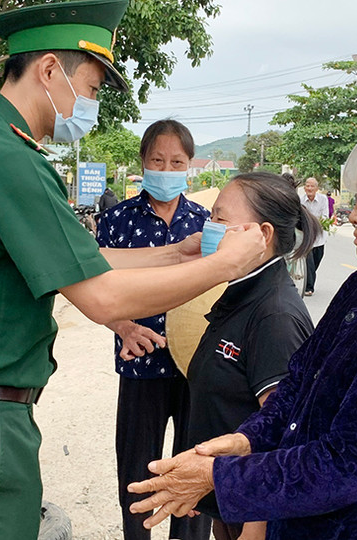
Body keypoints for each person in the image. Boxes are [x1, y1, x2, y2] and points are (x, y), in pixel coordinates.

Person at [0, 2, 266, 539]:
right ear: (48, 71)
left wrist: (178, 253)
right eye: (90, 89)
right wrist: (224, 264)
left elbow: (76, 261)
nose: (90, 105)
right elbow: (103, 297)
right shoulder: (7, 160)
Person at [126, 117, 357, 540]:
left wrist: (222, 477)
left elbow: (347, 464)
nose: (352, 215)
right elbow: (300, 385)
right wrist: (246, 440)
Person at [96, 119, 213, 540]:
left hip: (193, 371)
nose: (166, 169)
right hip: (140, 368)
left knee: (194, 475)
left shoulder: (205, 225)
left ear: (189, 167)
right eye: (157, 161)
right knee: (137, 473)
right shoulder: (116, 221)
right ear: (143, 163)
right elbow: (94, 289)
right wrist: (123, 326)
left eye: (176, 162)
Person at [185, 172, 318, 540]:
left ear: (263, 235)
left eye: (221, 219)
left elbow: (283, 430)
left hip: (251, 516)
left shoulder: (274, 315)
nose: (209, 227)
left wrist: (257, 526)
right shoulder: (243, 293)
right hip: (229, 503)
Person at [299, 177, 328, 296]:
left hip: (319, 237)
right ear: (304, 187)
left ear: (317, 188)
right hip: (307, 237)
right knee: (308, 261)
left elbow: (325, 216)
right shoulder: (300, 201)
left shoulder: (323, 199)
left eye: (312, 186)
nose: (309, 188)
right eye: (307, 186)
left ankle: (309, 277)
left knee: (317, 260)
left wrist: (316, 223)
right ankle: (309, 287)